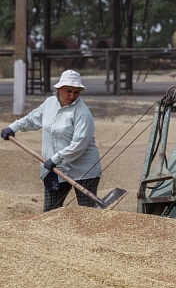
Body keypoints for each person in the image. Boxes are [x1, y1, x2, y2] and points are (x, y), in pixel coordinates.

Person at [1, 69, 102, 212]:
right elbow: (33, 119)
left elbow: (80, 143)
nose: (72, 95)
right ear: (58, 89)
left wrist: (56, 158)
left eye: (76, 92)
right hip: (55, 168)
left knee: (86, 214)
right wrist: (13, 127)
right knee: (50, 212)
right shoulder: (50, 103)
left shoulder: (83, 113)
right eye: (68, 91)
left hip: (83, 170)